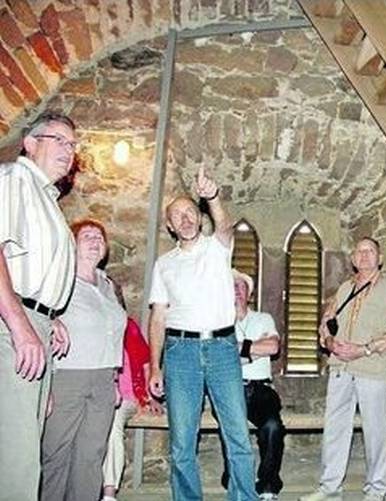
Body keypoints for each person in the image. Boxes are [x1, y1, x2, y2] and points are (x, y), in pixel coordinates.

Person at [148, 168, 256, 501]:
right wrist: (155, 367)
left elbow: (224, 225)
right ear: (170, 226)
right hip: (180, 352)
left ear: (199, 216)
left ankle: (244, 497)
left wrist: (213, 197)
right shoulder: (164, 264)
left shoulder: (217, 248)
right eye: (177, 216)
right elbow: (158, 317)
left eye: (190, 212)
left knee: (237, 435)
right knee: (182, 441)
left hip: (222, 348)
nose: (185, 219)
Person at [0, 111, 75, 500]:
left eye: (73, 144)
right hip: (12, 325)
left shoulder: (47, 199)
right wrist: (20, 323)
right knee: (16, 457)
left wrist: (50, 317)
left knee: (27, 446)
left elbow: (33, 269)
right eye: (59, 140)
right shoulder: (15, 178)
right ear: (30, 143)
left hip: (36, 324)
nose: (69, 150)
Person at [300, 237, 386, 501]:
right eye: (359, 251)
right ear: (353, 259)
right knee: (335, 427)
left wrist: (364, 349)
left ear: (380, 258)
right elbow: (327, 321)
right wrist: (329, 342)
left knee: (375, 430)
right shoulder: (345, 288)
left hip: (372, 368)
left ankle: (376, 490)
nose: (364, 255)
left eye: (370, 251)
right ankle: (329, 487)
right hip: (340, 367)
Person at [40, 219, 127, 501]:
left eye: (99, 237)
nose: (95, 240)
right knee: (57, 453)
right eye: (87, 236)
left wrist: (114, 380)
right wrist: (45, 385)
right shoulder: (59, 279)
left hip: (103, 379)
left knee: (92, 455)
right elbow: (39, 318)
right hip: (67, 376)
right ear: (72, 244)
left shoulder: (108, 285)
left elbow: (113, 335)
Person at [219, 269, 284, 500]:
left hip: (261, 388)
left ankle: (268, 485)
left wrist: (239, 350)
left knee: (272, 427)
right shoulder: (218, 321)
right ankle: (235, 479)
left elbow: (273, 347)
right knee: (234, 430)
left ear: (249, 294)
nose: (237, 290)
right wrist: (255, 350)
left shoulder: (263, 319)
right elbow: (219, 355)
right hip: (228, 387)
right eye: (232, 286)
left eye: (241, 286)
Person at [102, 316, 164, 501]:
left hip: (126, 397)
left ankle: (109, 492)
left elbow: (146, 364)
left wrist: (150, 397)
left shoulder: (129, 328)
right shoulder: (96, 323)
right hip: (95, 396)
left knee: (113, 423)